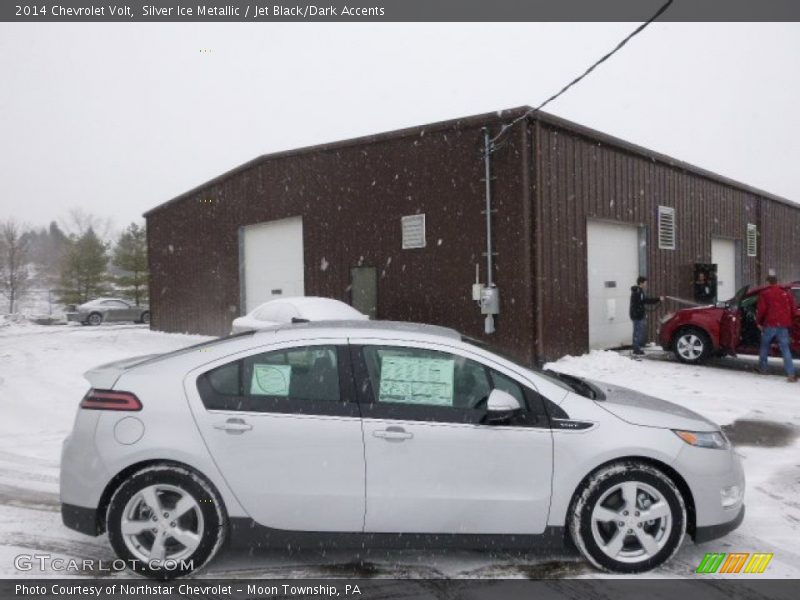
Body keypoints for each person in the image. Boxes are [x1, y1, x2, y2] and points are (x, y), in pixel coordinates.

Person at [756, 276, 797, 382]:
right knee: (785, 349)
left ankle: (763, 368)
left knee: (765, 346)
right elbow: (793, 309)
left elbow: (761, 310)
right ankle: (791, 374)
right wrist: (789, 320)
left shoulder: (765, 293)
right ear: (777, 282)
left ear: (768, 282)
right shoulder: (786, 293)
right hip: (783, 325)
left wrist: (759, 322)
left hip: (770, 324)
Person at [629, 276, 663, 356]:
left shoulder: (639, 291)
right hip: (637, 315)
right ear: (641, 283)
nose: (646, 284)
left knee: (638, 332)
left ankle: (637, 347)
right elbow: (643, 302)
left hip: (638, 314)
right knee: (637, 332)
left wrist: (657, 299)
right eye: (645, 282)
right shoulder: (638, 291)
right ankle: (636, 349)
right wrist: (658, 299)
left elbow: (643, 301)